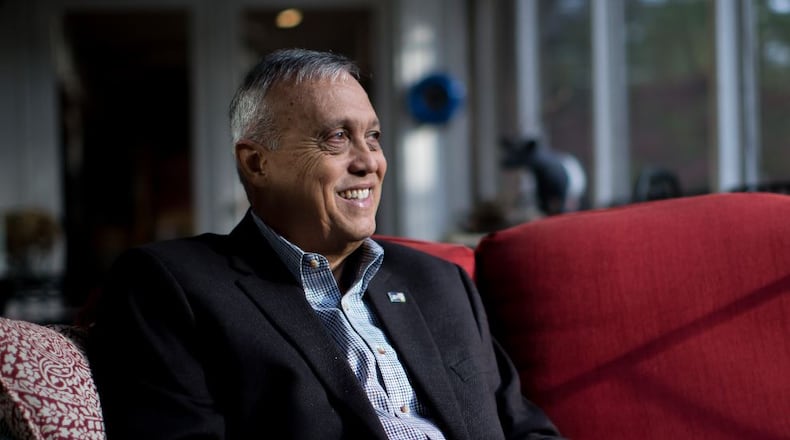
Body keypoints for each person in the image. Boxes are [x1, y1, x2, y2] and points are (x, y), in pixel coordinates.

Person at [88, 48, 563, 440]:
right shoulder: (170, 287)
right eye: (337, 138)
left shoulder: (441, 283)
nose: (368, 162)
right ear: (256, 163)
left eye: (373, 137)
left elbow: (525, 428)